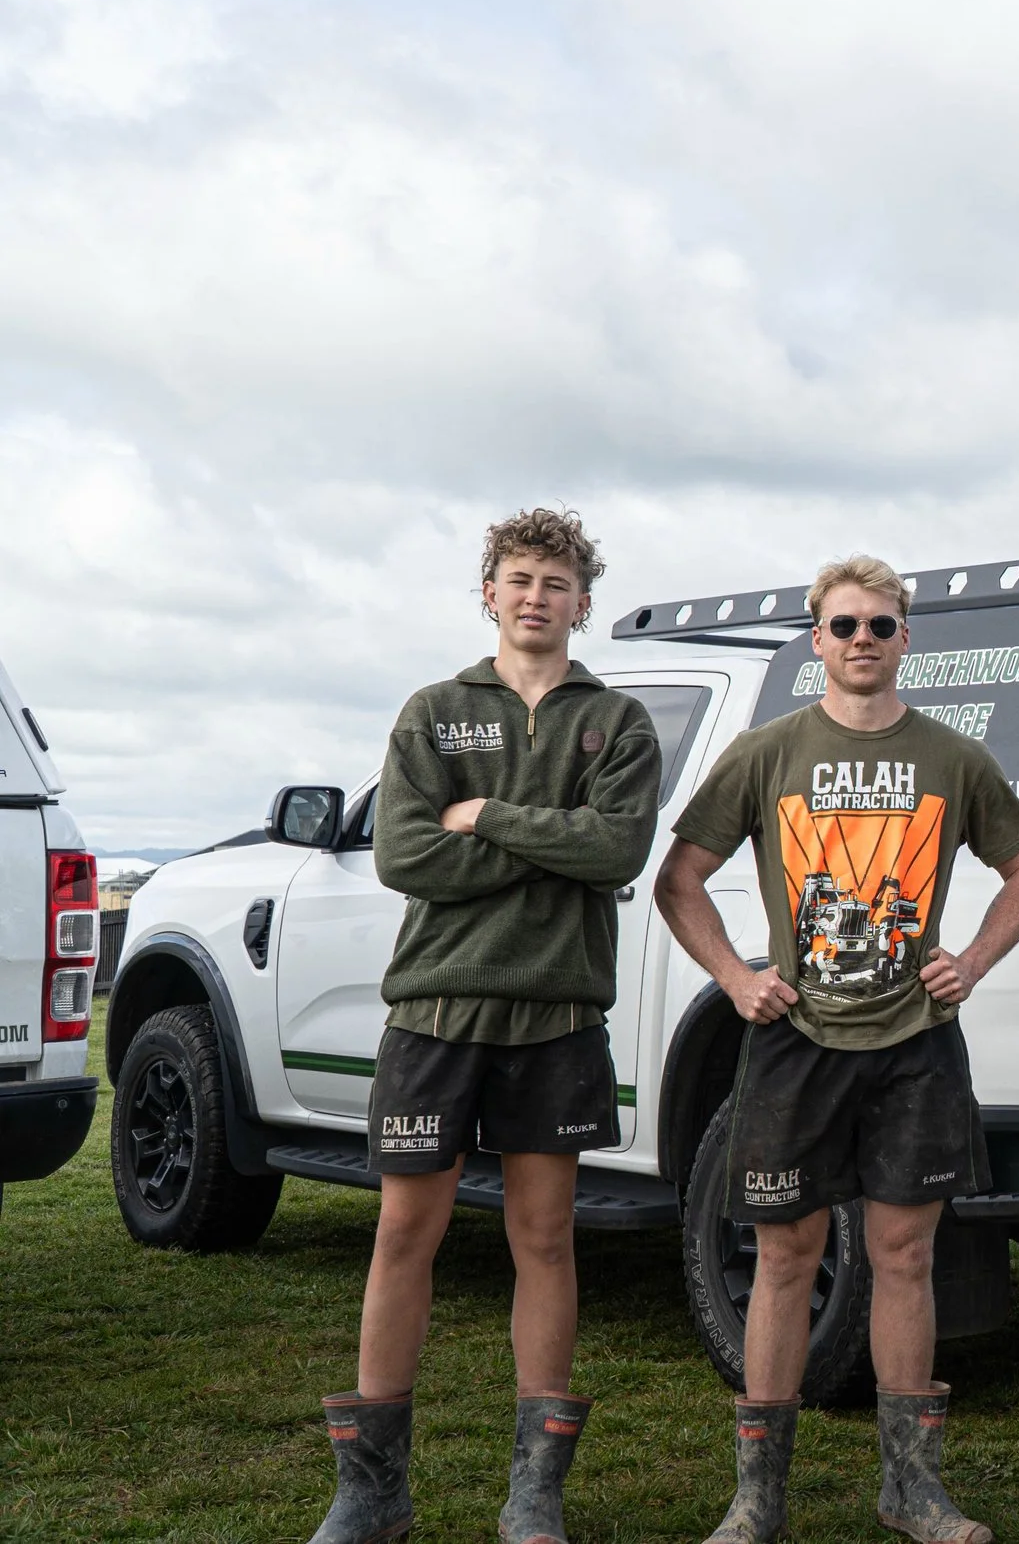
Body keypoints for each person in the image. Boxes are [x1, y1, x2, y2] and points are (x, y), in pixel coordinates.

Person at [656, 554, 1019, 1544]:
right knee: (785, 1254)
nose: (862, 640)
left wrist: (974, 958)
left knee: (904, 1252)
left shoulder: (953, 757)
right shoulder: (767, 751)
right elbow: (680, 877)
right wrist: (737, 978)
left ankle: (911, 1487)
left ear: (904, 638)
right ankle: (757, 1496)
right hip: (794, 1045)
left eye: (880, 625)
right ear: (815, 641)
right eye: (843, 626)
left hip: (915, 1044)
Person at [312, 508, 662, 1544]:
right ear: (489, 591)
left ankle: (533, 1493)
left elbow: (616, 852)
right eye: (518, 578)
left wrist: (493, 816)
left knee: (544, 1237)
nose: (535, 596)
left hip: (555, 1014)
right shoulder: (435, 711)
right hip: (434, 1010)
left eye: (555, 582)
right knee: (403, 1231)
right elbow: (405, 855)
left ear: (581, 602)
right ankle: (371, 1490)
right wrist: (552, 842)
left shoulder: (618, 721)